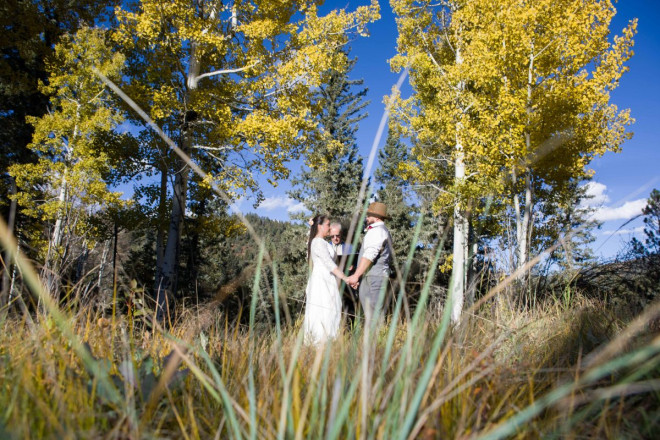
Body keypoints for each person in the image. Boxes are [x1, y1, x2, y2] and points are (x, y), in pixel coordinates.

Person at [302, 214, 350, 345]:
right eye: (328, 224)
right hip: (322, 281)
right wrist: (346, 278)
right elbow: (328, 263)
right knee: (323, 311)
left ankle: (330, 342)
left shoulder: (321, 242)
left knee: (332, 310)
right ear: (320, 226)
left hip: (329, 279)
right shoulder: (317, 242)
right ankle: (320, 343)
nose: (330, 227)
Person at [346, 202, 393, 324]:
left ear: (376, 217)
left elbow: (369, 256)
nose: (366, 217)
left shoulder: (378, 231)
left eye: (369, 215)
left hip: (375, 279)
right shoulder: (376, 231)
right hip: (371, 278)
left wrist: (356, 276)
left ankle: (376, 342)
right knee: (370, 316)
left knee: (374, 317)